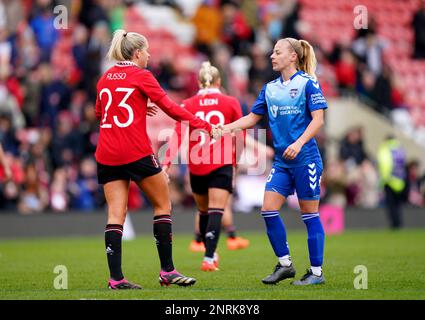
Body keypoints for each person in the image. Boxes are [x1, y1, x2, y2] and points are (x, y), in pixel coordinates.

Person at [95, 29, 215, 289]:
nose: (149, 55)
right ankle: (167, 271)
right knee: (163, 205)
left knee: (116, 214)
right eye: (147, 51)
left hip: (106, 153)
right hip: (135, 150)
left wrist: (137, 105)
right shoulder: (142, 75)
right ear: (137, 53)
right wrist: (203, 124)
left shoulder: (104, 78)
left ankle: (116, 278)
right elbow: (172, 109)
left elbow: (100, 112)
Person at [218, 38, 328, 285]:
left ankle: (316, 273)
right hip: (282, 162)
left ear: (293, 57)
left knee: (309, 214)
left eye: (277, 52)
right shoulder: (269, 89)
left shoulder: (308, 83)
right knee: (268, 209)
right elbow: (252, 118)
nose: (271, 56)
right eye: (272, 52)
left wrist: (298, 143)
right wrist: (225, 128)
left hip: (306, 159)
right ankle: (286, 265)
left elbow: (318, 120)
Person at [162, 61, 245, 271]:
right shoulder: (231, 102)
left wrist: (166, 163)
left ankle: (210, 253)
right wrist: (235, 162)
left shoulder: (187, 104)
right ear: (219, 82)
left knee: (203, 210)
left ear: (199, 82)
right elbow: (240, 135)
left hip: (197, 165)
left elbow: (177, 136)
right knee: (217, 209)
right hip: (222, 162)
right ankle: (209, 258)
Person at [377, 135, 407, 229]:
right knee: (398, 205)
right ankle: (399, 223)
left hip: (389, 181)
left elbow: (385, 165)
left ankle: (394, 224)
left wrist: (383, 180)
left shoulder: (385, 149)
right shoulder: (400, 149)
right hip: (400, 181)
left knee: (391, 205)